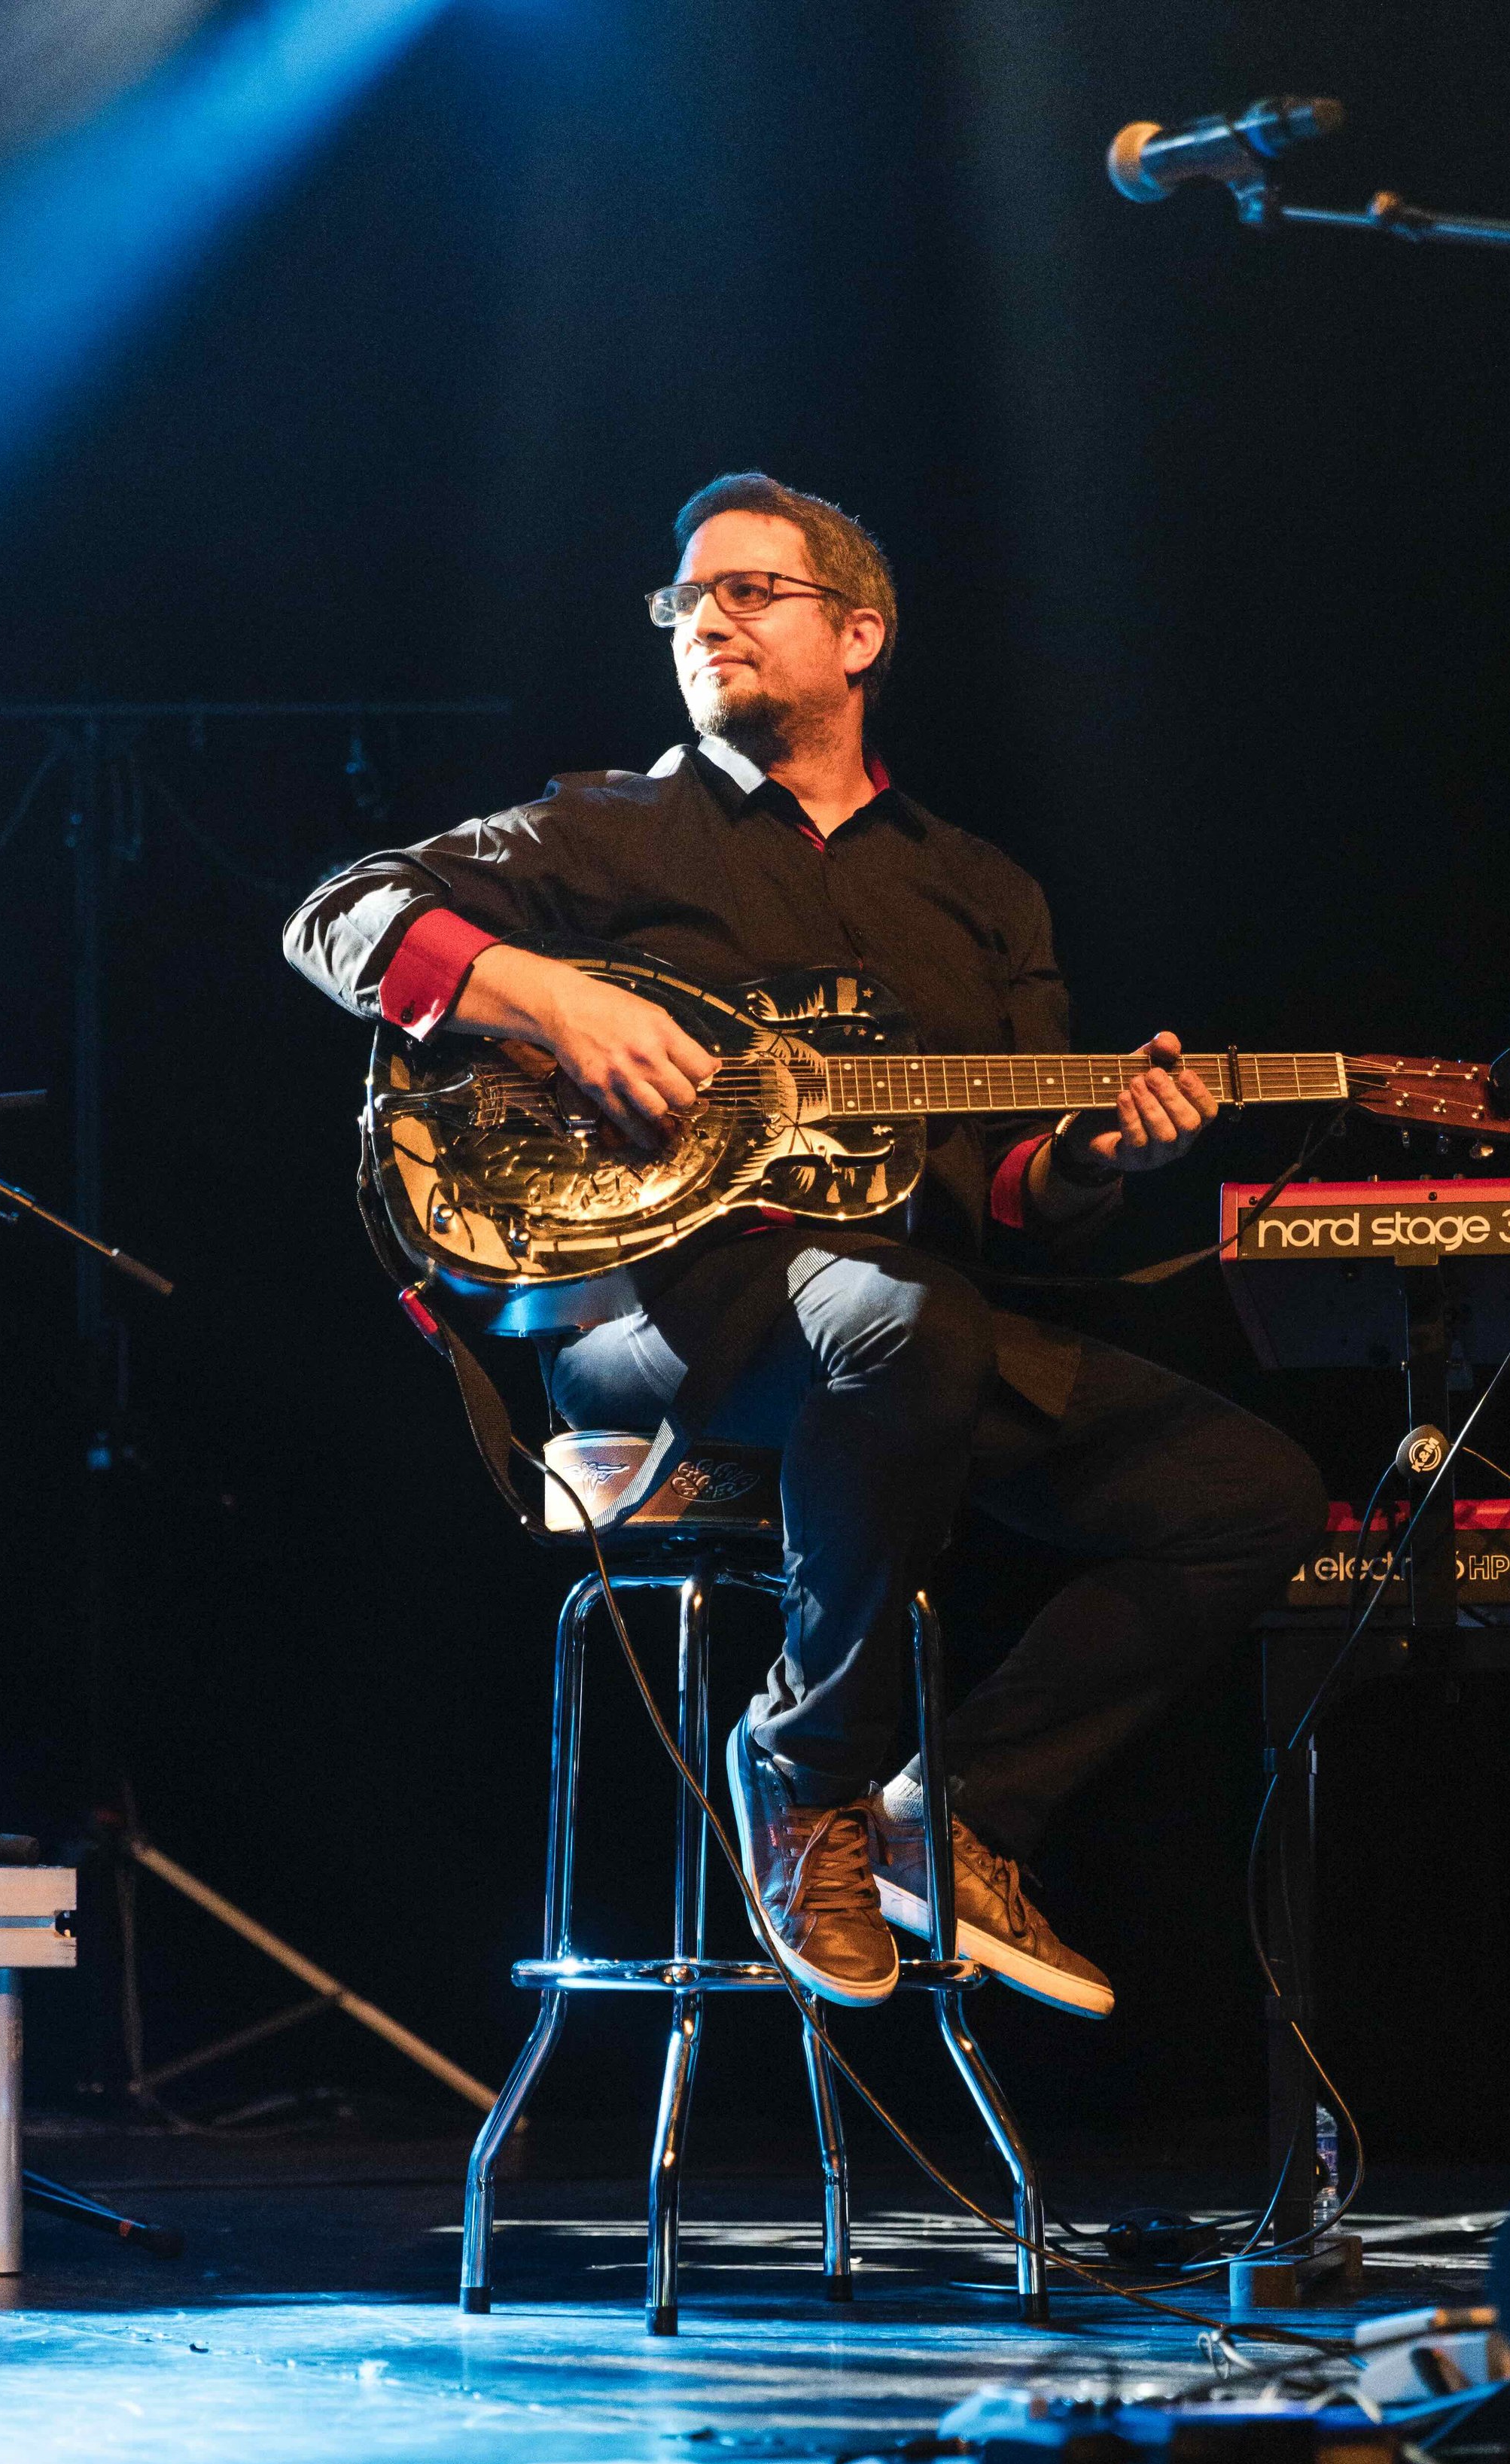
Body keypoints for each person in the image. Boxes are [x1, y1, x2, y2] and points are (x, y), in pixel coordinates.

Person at [285, 471, 1324, 2018]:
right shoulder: (606, 826)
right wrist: (555, 997)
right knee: (900, 1318)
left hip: (897, 1334)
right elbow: (335, 917)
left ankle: (950, 1817)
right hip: (655, 1318)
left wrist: (1099, 1154)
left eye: (744, 592)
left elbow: (1008, 1195)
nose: (703, 618)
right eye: (682, 600)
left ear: (858, 633)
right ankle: (803, 1767)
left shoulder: (978, 891)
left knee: (1253, 1497)